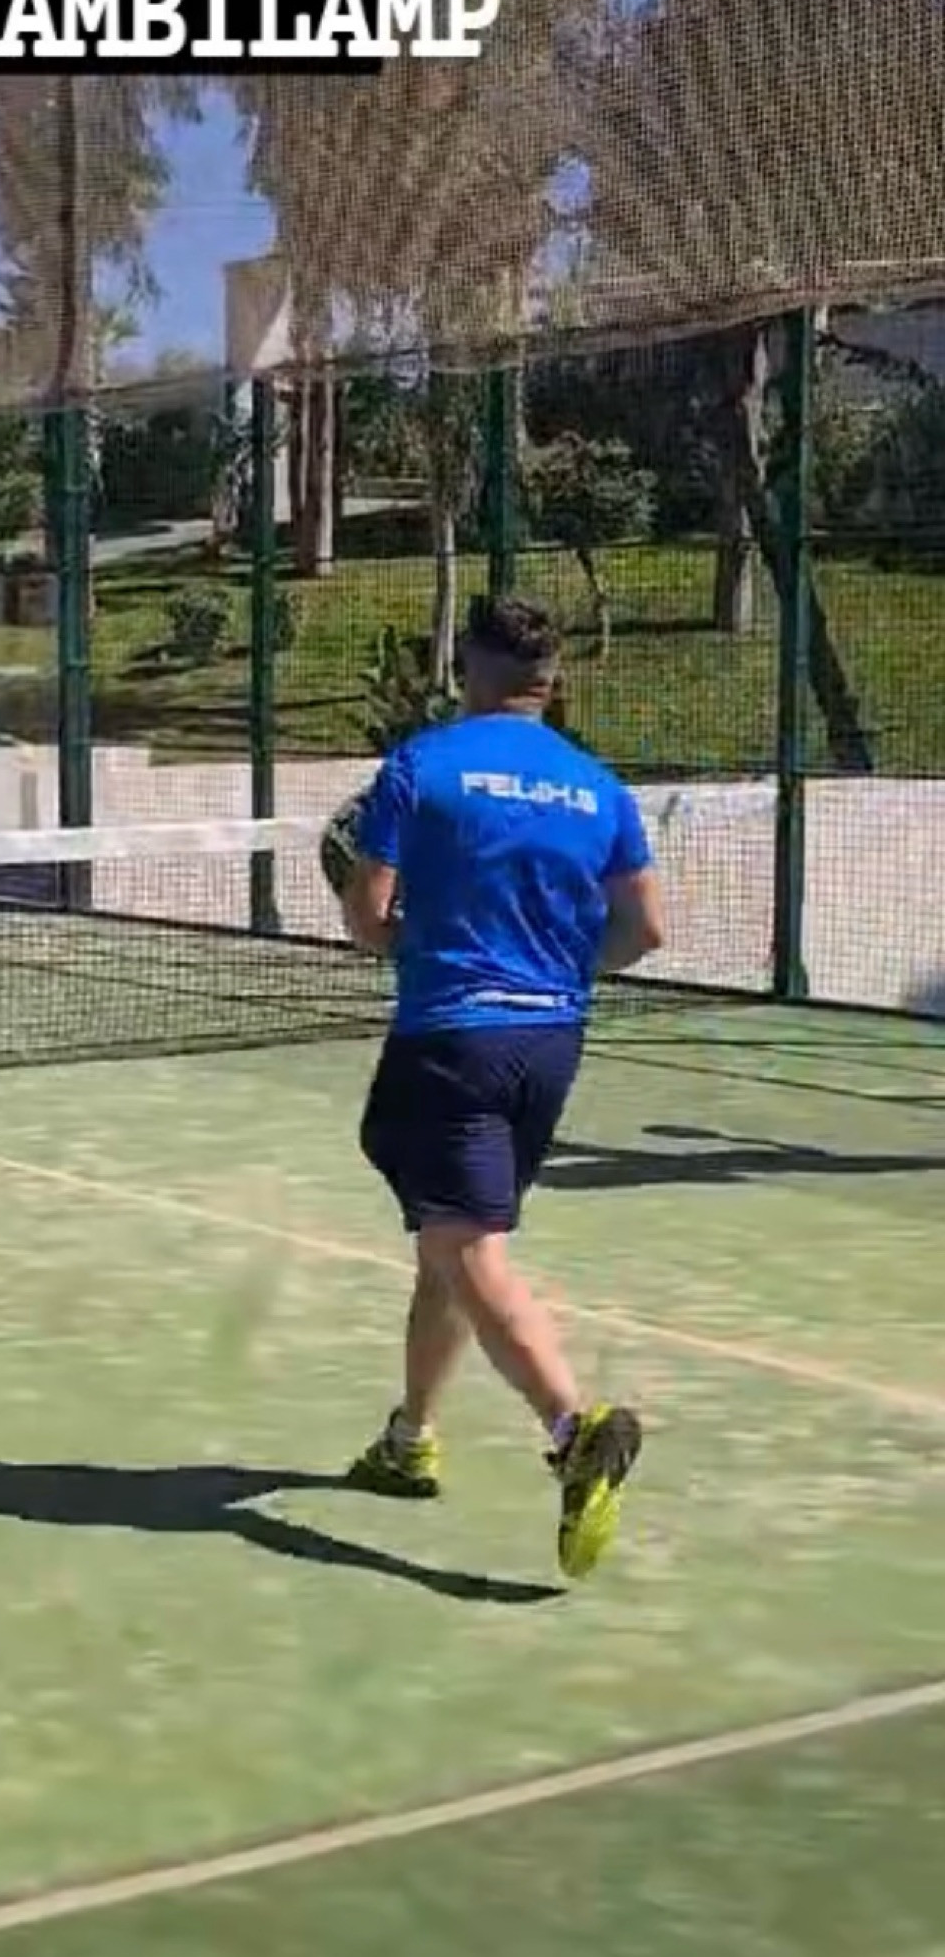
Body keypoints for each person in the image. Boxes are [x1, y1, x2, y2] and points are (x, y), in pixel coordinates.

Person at [331, 591, 667, 1582]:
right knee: (447, 1248)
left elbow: (368, 916)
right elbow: (645, 932)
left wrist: (418, 943)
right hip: (550, 1045)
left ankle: (573, 1430)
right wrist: (550, 970)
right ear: (550, 680)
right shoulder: (599, 788)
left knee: (465, 1246)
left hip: (453, 1039)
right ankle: (409, 1440)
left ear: (470, 667)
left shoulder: (421, 765)